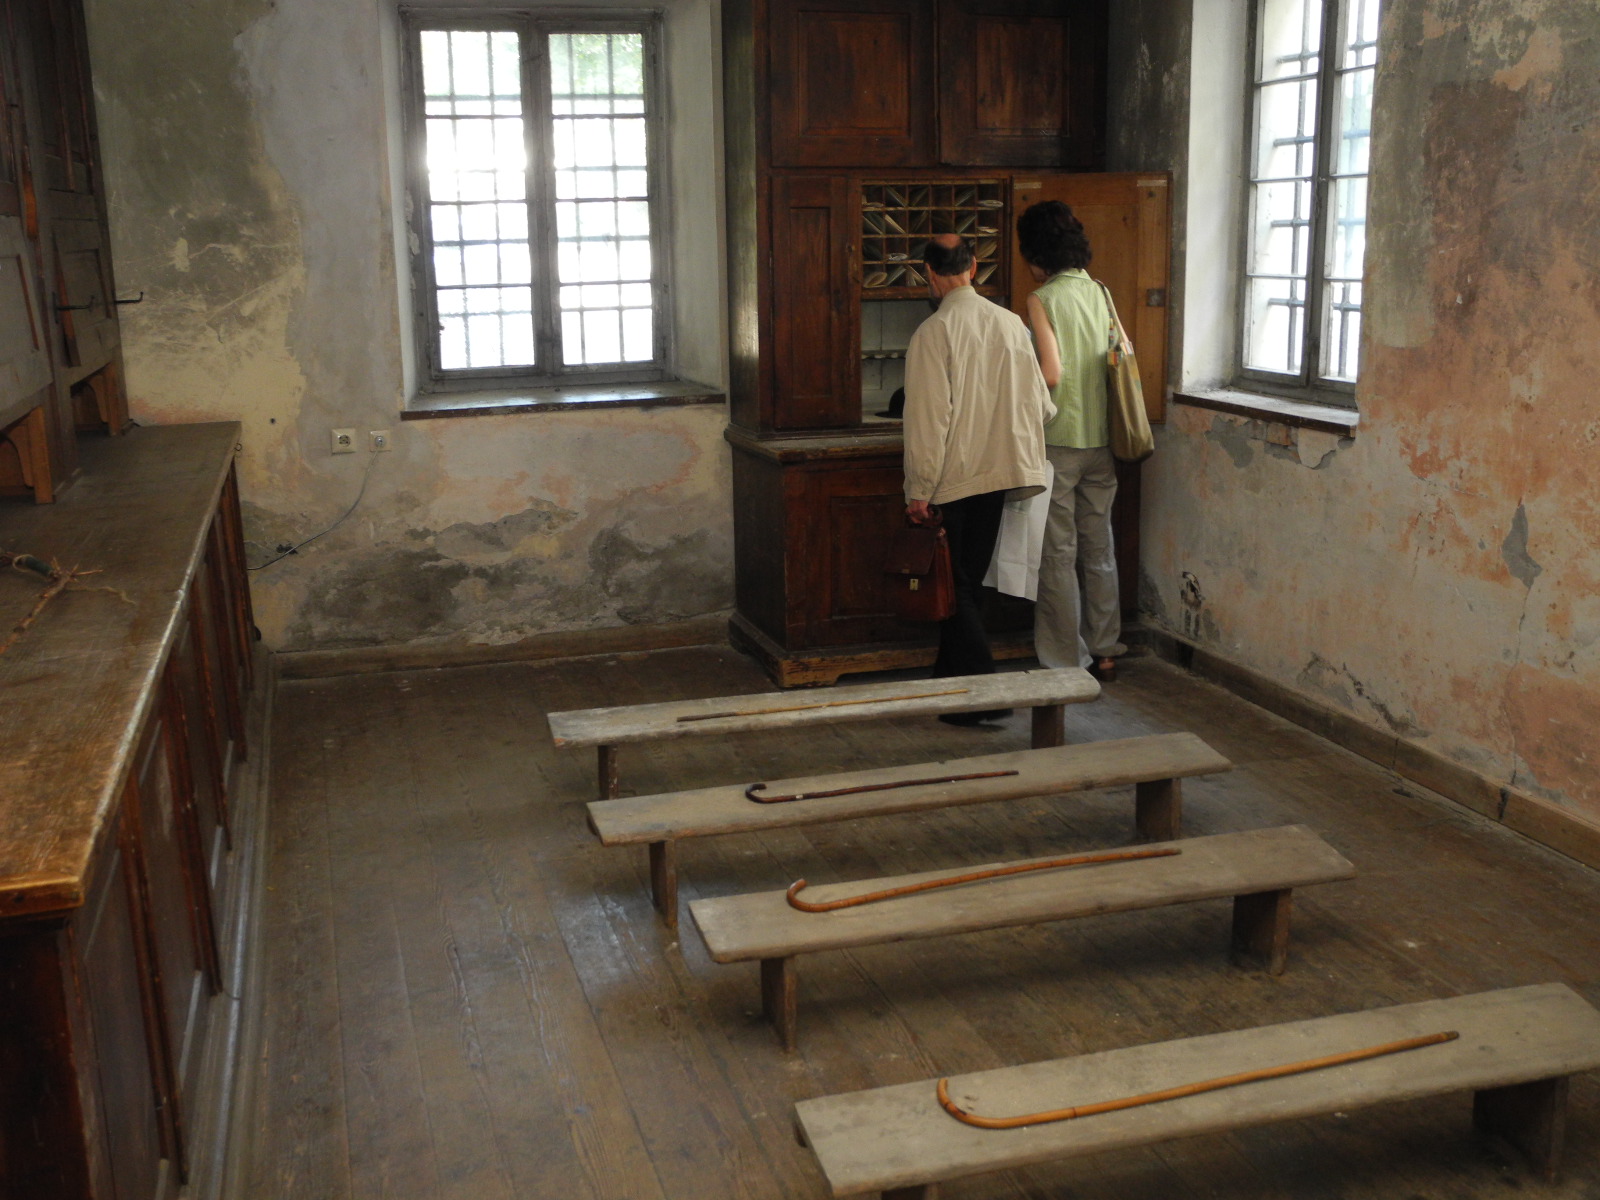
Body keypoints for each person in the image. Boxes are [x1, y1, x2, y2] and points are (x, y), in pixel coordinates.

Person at [902, 233, 1055, 724]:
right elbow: (1043, 406)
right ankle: (949, 688)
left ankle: (986, 696)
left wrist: (918, 489)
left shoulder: (934, 332)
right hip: (1000, 474)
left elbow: (928, 421)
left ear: (928, 272)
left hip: (953, 477)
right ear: (973, 267)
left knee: (957, 585)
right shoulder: (1010, 323)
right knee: (965, 583)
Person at [1016, 200, 1127, 681]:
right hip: (1101, 440)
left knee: (1058, 554)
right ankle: (1106, 648)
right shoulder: (1100, 291)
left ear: (1035, 251)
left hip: (1058, 442)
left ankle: (1066, 660)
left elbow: (1051, 374)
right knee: (1099, 547)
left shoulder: (1042, 299)